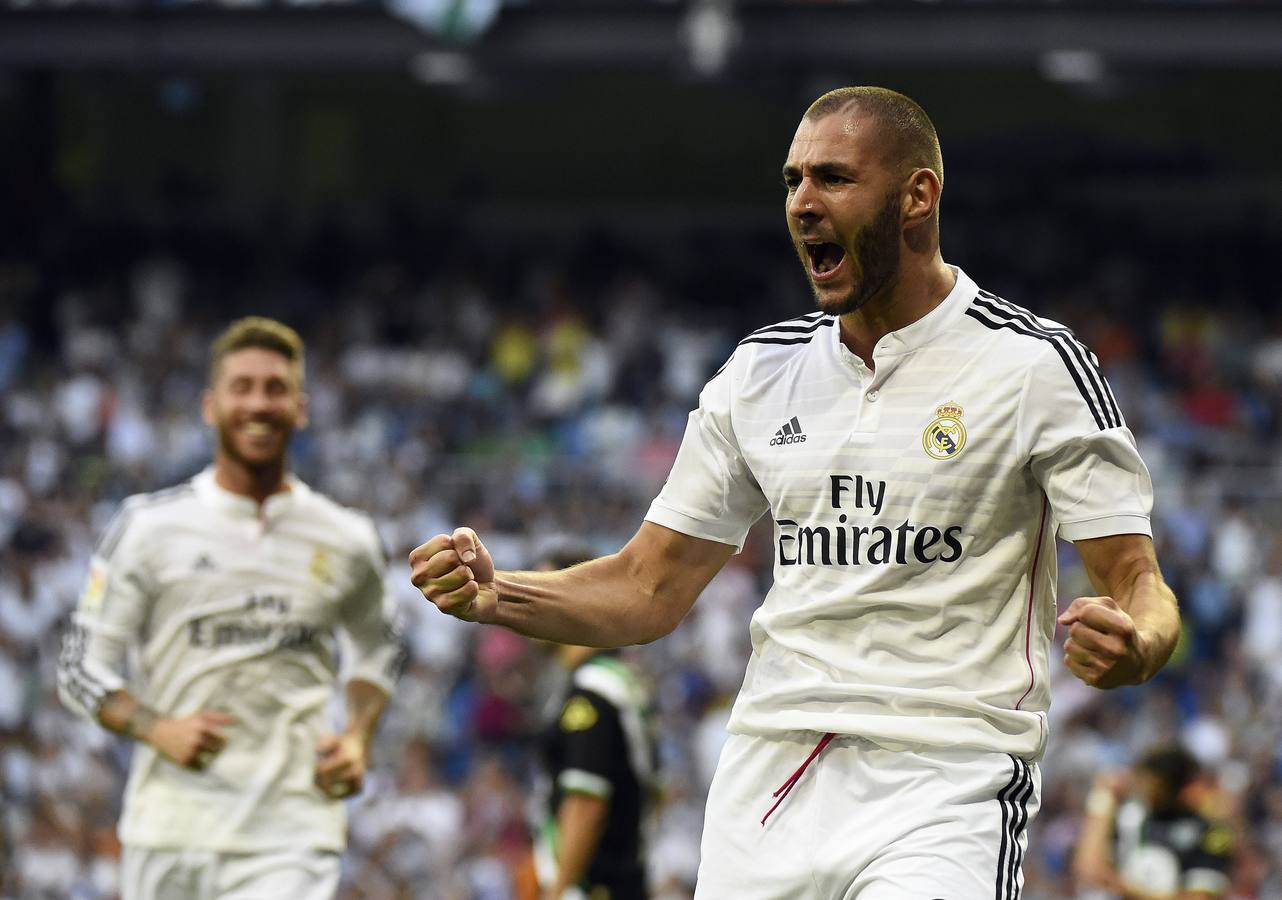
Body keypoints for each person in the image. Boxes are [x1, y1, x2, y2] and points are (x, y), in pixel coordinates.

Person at [411, 86, 1181, 898]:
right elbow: (648, 587)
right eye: (792, 182)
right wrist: (499, 596)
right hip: (768, 783)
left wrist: (1138, 644)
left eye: (834, 179)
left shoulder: (1034, 366)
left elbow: (1139, 583)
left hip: (946, 783)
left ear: (918, 195)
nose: (803, 204)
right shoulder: (760, 373)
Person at [58, 317, 404, 900]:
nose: (258, 403)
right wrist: (156, 727)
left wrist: (357, 739)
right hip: (169, 831)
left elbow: (379, 647)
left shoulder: (348, 537)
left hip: (292, 834)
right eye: (241, 386)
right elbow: (78, 667)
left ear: (301, 407)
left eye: (275, 388)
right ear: (209, 406)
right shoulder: (147, 527)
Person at [530, 549, 655, 900]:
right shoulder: (617, 680)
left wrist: (558, 888)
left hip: (594, 886)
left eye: (543, 588)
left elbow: (587, 800)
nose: (529, 600)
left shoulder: (594, 692)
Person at [1073, 744, 1234, 899]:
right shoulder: (1131, 818)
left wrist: (1127, 890)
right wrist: (1103, 799)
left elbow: (1200, 897)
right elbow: (1088, 868)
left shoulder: (1208, 832)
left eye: (1155, 785)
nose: (1146, 790)